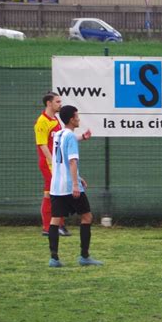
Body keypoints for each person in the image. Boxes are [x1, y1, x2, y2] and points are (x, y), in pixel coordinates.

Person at [48, 105, 102, 267]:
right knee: (87, 217)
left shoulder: (59, 134)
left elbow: (63, 153)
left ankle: (54, 259)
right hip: (69, 186)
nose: (79, 119)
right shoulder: (70, 136)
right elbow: (71, 160)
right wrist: (75, 184)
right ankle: (84, 257)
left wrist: (83, 138)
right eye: (77, 116)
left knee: (55, 220)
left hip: (56, 186)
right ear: (72, 119)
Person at [34, 92, 91, 236]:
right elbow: (43, 145)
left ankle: (59, 225)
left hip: (56, 163)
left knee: (60, 193)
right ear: (49, 103)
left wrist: (82, 137)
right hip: (49, 163)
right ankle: (48, 227)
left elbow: (63, 141)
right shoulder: (42, 121)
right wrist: (53, 163)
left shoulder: (56, 120)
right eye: (57, 102)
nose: (60, 104)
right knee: (50, 194)